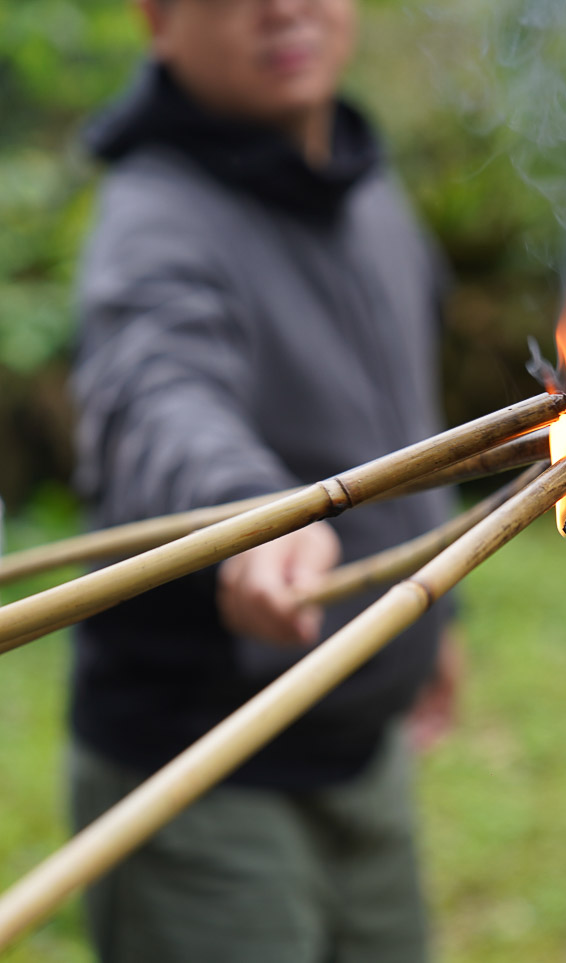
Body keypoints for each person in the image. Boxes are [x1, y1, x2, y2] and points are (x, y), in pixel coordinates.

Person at [69, 0, 458, 959]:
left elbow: (406, 422)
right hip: (202, 772)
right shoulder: (153, 216)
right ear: (159, 19)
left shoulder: (367, 186)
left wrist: (438, 618)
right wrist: (248, 512)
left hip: (363, 751)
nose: (283, 7)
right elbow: (153, 392)